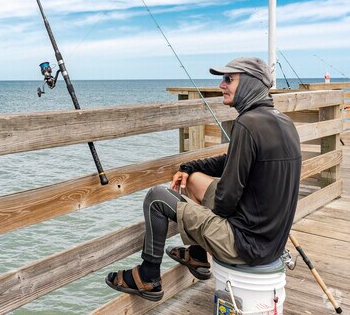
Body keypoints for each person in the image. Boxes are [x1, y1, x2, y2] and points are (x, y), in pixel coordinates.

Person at [105, 57, 301, 301]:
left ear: (250, 83)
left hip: (244, 245)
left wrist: (197, 213)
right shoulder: (283, 122)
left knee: (157, 198)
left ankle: (148, 277)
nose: (221, 85)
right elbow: (229, 162)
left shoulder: (248, 124)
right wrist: (189, 168)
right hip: (270, 241)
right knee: (194, 179)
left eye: (229, 79)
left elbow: (225, 203)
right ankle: (197, 257)